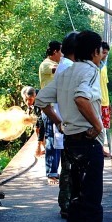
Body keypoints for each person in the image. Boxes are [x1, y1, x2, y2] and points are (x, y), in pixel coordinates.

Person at [35, 30, 112, 222]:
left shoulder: (66, 71)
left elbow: (41, 100)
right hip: (88, 142)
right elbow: (81, 98)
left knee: (77, 194)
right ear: (94, 52)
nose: (102, 55)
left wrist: (59, 122)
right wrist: (98, 125)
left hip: (70, 141)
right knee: (92, 198)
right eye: (100, 50)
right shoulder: (90, 71)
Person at [54, 31, 78, 218]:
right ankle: (68, 205)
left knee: (67, 168)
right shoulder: (70, 68)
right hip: (69, 125)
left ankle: (66, 203)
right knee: (70, 170)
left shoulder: (64, 65)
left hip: (64, 123)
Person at [39, 40, 62, 183]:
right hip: (49, 107)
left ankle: (54, 170)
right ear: (54, 52)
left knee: (57, 139)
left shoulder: (55, 64)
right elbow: (58, 69)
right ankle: (51, 172)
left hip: (55, 106)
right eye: (60, 52)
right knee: (51, 138)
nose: (62, 55)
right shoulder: (46, 64)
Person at [20, 86, 45, 156]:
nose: (28, 102)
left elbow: (41, 121)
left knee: (39, 127)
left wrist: (38, 145)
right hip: (40, 113)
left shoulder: (40, 100)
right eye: (26, 100)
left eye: (30, 100)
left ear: (35, 96)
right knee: (36, 128)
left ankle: (43, 147)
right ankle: (45, 147)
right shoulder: (30, 97)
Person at [98, 41, 112, 158]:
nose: (105, 56)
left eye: (106, 54)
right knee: (99, 127)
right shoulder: (95, 67)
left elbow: (105, 84)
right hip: (98, 101)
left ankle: (101, 149)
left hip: (105, 101)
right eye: (103, 53)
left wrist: (108, 103)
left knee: (103, 128)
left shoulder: (103, 66)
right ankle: (100, 149)